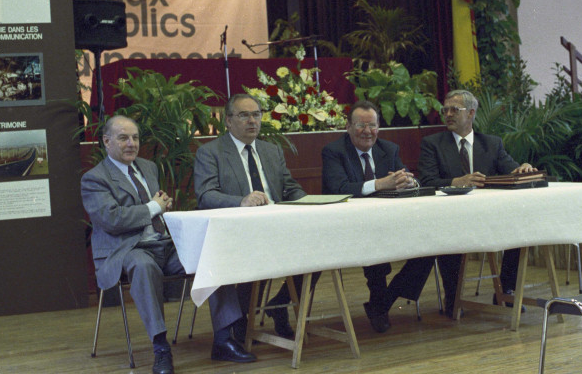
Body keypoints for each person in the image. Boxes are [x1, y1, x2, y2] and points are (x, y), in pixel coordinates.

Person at [82, 115, 256, 374]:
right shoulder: (94, 178)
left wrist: (161, 207)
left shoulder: (148, 167)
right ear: (106, 141)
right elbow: (111, 219)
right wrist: (153, 207)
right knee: (143, 266)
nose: (131, 143)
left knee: (211, 255)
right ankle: (161, 348)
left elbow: (156, 207)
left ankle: (223, 340)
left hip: (162, 244)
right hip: (127, 249)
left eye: (135, 137)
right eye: (123, 138)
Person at [321, 100, 457, 332]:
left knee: (430, 245)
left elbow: (406, 178)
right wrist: (379, 183)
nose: (367, 132)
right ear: (348, 127)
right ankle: (380, 305)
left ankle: (383, 302)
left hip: (391, 222)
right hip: (351, 225)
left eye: (372, 126)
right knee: (376, 250)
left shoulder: (389, 149)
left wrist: (409, 181)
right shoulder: (334, 151)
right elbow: (338, 187)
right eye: (361, 126)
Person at [194, 93, 316, 341]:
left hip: (276, 224)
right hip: (239, 231)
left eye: (256, 114)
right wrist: (241, 201)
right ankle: (239, 322)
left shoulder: (270, 151)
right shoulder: (211, 153)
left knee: (320, 251)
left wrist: (308, 202)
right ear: (228, 121)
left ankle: (279, 305)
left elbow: (289, 188)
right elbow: (206, 195)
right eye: (244, 115)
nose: (252, 121)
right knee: (260, 253)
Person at [418, 89, 537, 308]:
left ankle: (506, 290)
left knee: (519, 230)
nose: (448, 115)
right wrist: (456, 181)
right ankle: (453, 299)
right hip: (451, 217)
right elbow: (425, 181)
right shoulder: (432, 143)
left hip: (488, 217)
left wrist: (523, 168)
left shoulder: (491, 143)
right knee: (449, 237)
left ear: (471, 113)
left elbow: (511, 169)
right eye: (445, 110)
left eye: (455, 110)